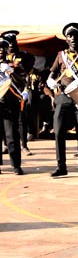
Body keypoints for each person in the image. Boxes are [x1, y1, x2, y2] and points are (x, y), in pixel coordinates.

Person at [46, 22, 78, 179]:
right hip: (63, 97)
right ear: (66, 39)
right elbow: (52, 74)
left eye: (75, 35)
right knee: (59, 132)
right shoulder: (61, 56)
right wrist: (50, 81)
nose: (73, 38)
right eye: (69, 36)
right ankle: (61, 167)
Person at [0, 30, 33, 175]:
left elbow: (23, 79)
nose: (1, 51)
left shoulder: (13, 65)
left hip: (10, 102)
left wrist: (10, 72)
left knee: (11, 135)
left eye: (3, 48)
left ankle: (16, 165)